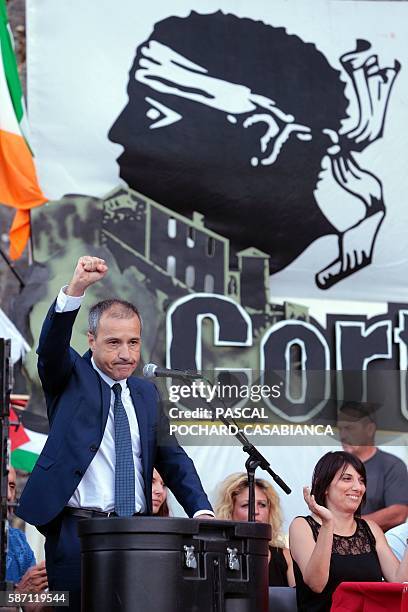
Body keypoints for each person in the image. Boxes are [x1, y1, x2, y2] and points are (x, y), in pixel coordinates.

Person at [109, 12, 399, 290]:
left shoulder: (317, 262)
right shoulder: (105, 242)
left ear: (262, 136)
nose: (117, 132)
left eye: (153, 113)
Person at [16, 255, 213, 611]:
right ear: (91, 340)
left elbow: (172, 457)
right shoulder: (69, 376)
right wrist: (75, 290)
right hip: (78, 533)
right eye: (114, 343)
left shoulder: (146, 393)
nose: (126, 354)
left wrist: (201, 510)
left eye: (133, 342)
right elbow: (50, 349)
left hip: (138, 533)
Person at [289, 451, 408, 612]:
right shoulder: (301, 526)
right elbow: (316, 584)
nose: (358, 487)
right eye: (347, 479)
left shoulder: (370, 528)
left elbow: (400, 584)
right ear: (324, 485)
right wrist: (328, 523)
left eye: (361, 480)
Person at [215, 472, 295, 587]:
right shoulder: (217, 556)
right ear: (230, 511)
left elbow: (299, 601)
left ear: (270, 510)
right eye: (246, 505)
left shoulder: (286, 558)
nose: (256, 511)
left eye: (262, 505)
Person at [338, 401, 408, 530]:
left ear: (370, 429)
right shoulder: (334, 467)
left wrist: (350, 525)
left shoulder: (392, 466)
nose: (342, 435)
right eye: (340, 429)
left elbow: (399, 513)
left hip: (379, 546)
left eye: (349, 428)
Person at [6, 466, 48, 612]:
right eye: (3, 483)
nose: (9, 495)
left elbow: (31, 603)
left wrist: (61, 596)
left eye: (12, 486)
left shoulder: (17, 541)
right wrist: (16, 596)